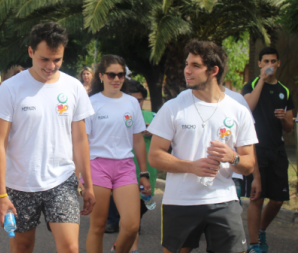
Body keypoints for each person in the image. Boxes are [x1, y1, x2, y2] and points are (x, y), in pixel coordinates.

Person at [0, 22, 96, 253]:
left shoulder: (73, 87)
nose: (51, 66)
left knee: (70, 247)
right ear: (30, 52)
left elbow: (80, 139)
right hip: (20, 184)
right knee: (23, 247)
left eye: (57, 59)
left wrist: (88, 183)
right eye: (44, 59)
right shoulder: (10, 88)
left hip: (62, 180)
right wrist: (0, 193)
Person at [149, 40, 257, 253]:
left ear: (214, 70)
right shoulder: (173, 108)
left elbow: (249, 164)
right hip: (180, 200)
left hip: (223, 199)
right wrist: (191, 166)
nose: (187, 71)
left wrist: (233, 157)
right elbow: (155, 156)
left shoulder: (238, 111)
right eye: (186, 64)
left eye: (195, 66)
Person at [84, 56, 149, 253]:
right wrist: (82, 177)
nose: (116, 79)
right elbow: (82, 142)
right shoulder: (91, 103)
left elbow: (137, 140)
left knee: (131, 226)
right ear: (101, 76)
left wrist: (144, 173)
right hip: (97, 166)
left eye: (120, 75)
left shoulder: (131, 103)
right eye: (111, 74)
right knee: (98, 226)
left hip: (125, 167)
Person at [242, 47, 295, 253]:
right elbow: (248, 108)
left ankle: (262, 230)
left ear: (278, 63)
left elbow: (290, 127)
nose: (269, 65)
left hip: (277, 149)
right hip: (256, 149)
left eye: (273, 61)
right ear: (260, 64)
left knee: (278, 199)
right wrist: (262, 80)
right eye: (266, 61)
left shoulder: (285, 91)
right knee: (257, 196)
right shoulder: (252, 85)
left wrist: (285, 119)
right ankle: (254, 245)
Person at [107, 79, 157, 252]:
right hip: (124, 170)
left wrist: (155, 132)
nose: (137, 104)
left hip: (147, 170)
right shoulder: (116, 114)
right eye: (133, 99)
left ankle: (124, 241)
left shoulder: (153, 117)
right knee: (128, 215)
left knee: (138, 213)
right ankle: (132, 247)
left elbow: (168, 141)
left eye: (140, 100)